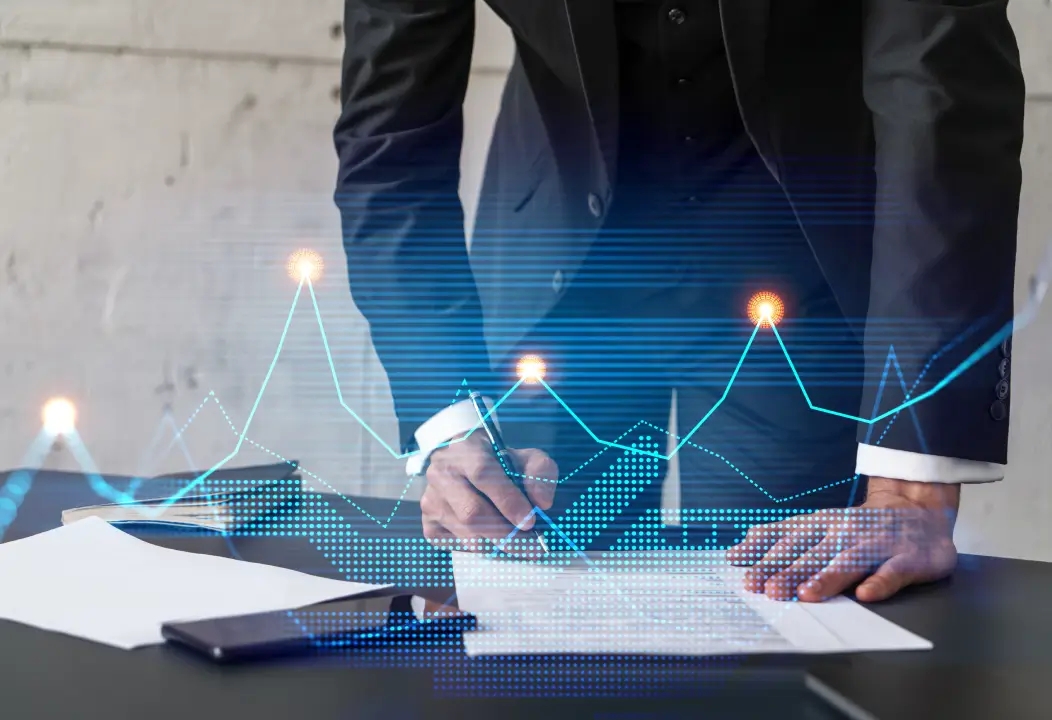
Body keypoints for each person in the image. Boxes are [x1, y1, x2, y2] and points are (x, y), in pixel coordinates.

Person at [333, 0, 1024, 602]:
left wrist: (912, 483)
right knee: (528, 632)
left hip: (789, 280)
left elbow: (941, 97)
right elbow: (391, 139)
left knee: (786, 620)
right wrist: (449, 425)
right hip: (558, 277)